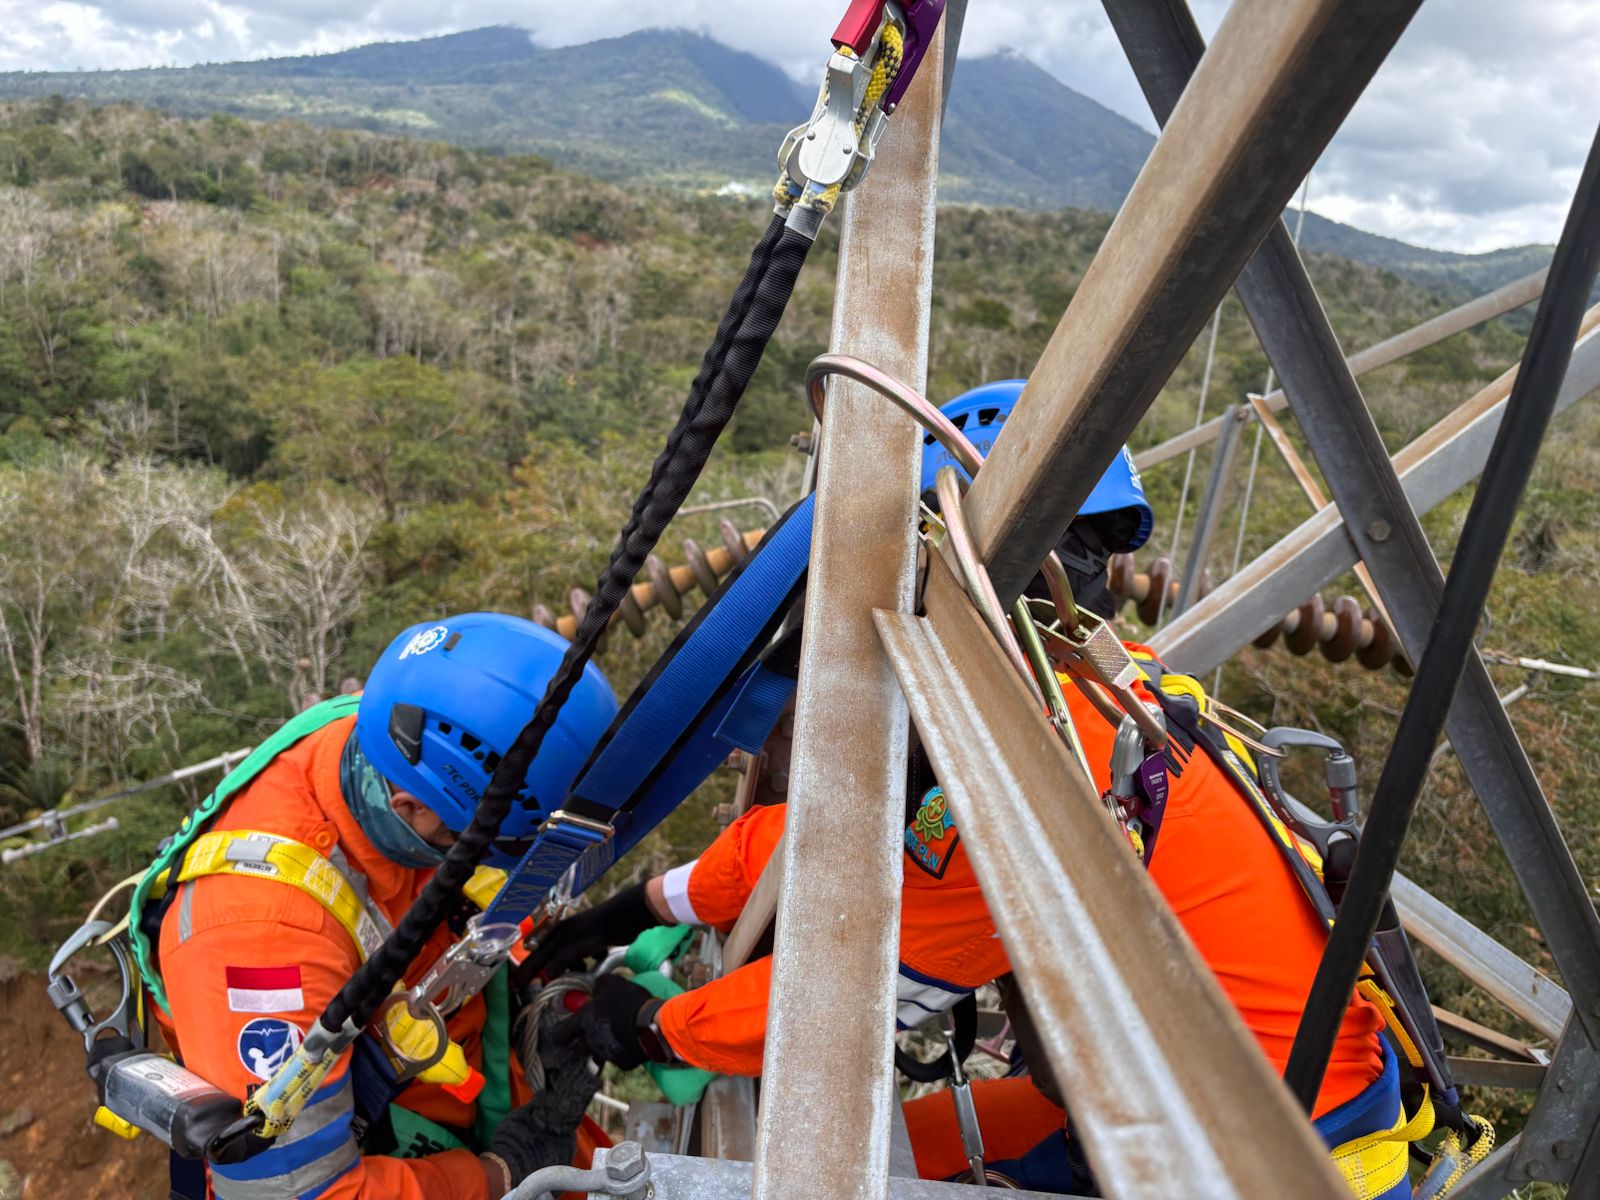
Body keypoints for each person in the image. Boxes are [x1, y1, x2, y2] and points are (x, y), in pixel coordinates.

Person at [523, 381, 1401, 1196]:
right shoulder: (1094, 686)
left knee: (858, 1172)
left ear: (933, 557)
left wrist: (650, 1027)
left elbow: (847, 1000)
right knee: (919, 1142)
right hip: (1195, 1079)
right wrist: (640, 907)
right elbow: (820, 834)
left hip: (1263, 1150)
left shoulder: (1034, 764)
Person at [149, 612, 618, 1200]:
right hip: (385, 1144)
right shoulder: (262, 938)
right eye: (491, 843)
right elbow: (299, 1191)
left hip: (440, 1071)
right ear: (412, 808)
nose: (495, 858)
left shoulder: (380, 733)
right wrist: (501, 1175)